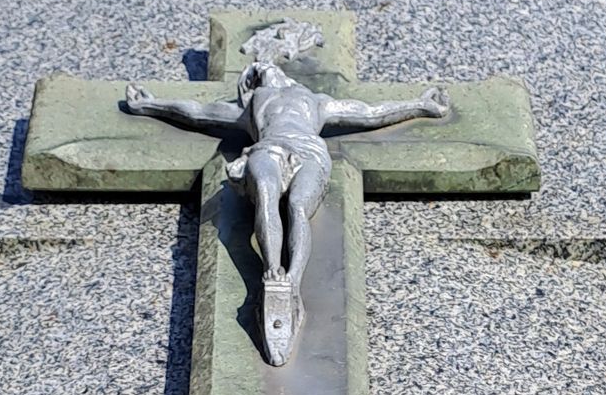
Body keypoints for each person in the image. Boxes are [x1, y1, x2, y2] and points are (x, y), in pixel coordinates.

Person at [123, 21, 449, 366]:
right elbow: (199, 113)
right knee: (264, 192)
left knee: (296, 206)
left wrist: (420, 106)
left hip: (309, 153)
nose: (266, 71)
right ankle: (272, 273)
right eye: (259, 71)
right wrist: (151, 105)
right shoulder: (250, 107)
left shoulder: (317, 102)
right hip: (270, 149)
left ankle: (292, 280)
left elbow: (368, 113)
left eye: (266, 68)